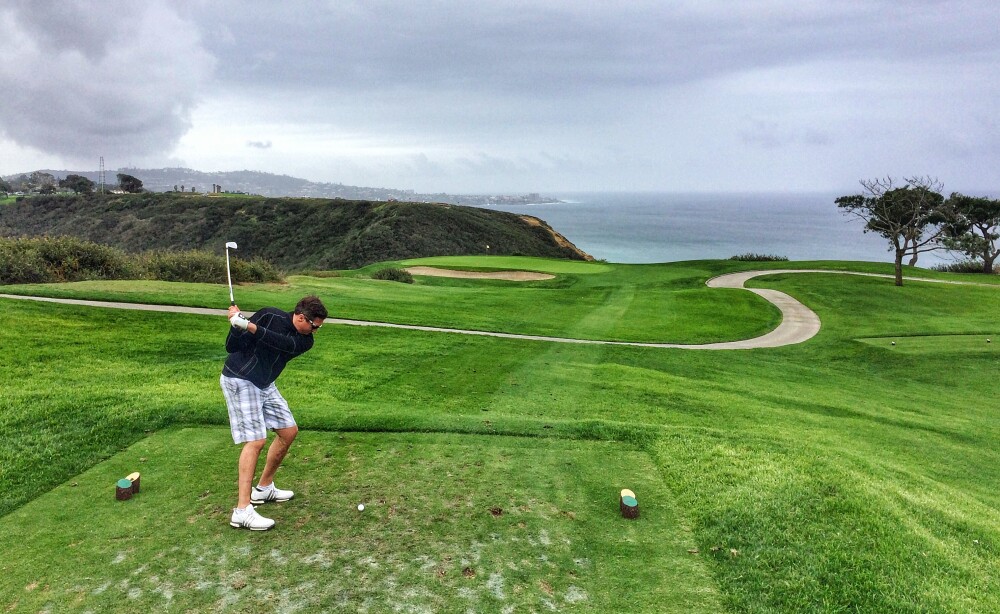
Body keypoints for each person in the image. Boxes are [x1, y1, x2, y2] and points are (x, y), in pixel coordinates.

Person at [220, 295, 328, 530]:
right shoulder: (269, 315)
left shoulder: (304, 341)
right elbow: (232, 346)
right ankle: (242, 511)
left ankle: (264, 488)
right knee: (256, 441)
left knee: (288, 432)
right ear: (301, 317)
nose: (316, 331)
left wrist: (248, 325)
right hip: (240, 379)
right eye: (315, 326)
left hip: (265, 383)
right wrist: (236, 325)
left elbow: (278, 342)